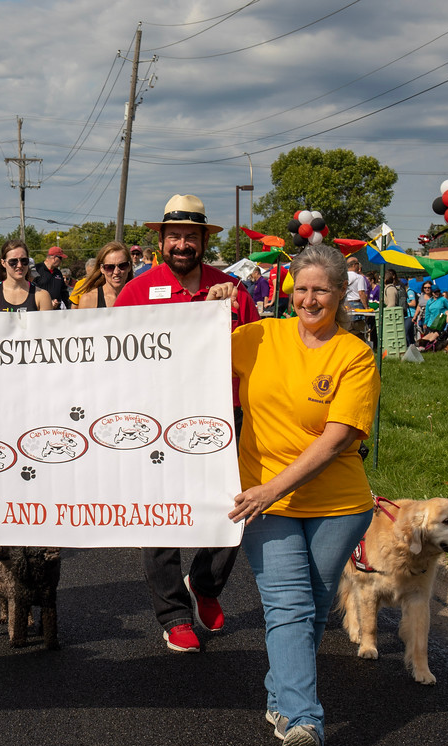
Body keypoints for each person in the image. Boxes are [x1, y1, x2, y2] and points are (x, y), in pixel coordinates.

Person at [216, 242, 379, 746]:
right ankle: (307, 721)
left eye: (322, 290)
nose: (310, 299)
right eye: (302, 288)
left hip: (339, 505)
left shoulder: (355, 354)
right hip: (265, 501)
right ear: (290, 290)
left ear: (340, 294)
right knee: (288, 606)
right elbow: (188, 352)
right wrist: (214, 306)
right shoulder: (259, 335)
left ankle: (280, 701)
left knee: (308, 611)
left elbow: (336, 440)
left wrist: (272, 487)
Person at [114, 194, 260, 652]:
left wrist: (226, 315)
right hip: (158, 418)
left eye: (191, 237)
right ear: (161, 240)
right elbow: (115, 358)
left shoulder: (232, 291)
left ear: (203, 241)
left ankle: (206, 585)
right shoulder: (136, 292)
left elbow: (254, 358)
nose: (182, 244)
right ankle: (174, 614)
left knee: (235, 506)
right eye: (174, 236)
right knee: (161, 514)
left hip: (224, 415)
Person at [0, 239, 53, 312]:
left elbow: (47, 324)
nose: (19, 265)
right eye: (13, 261)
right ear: (3, 262)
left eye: (24, 260)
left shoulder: (42, 296)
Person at [71, 241, 132, 309]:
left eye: (122, 266)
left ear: (129, 267)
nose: (116, 272)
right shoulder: (89, 300)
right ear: (102, 269)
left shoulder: (139, 297)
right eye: (110, 267)